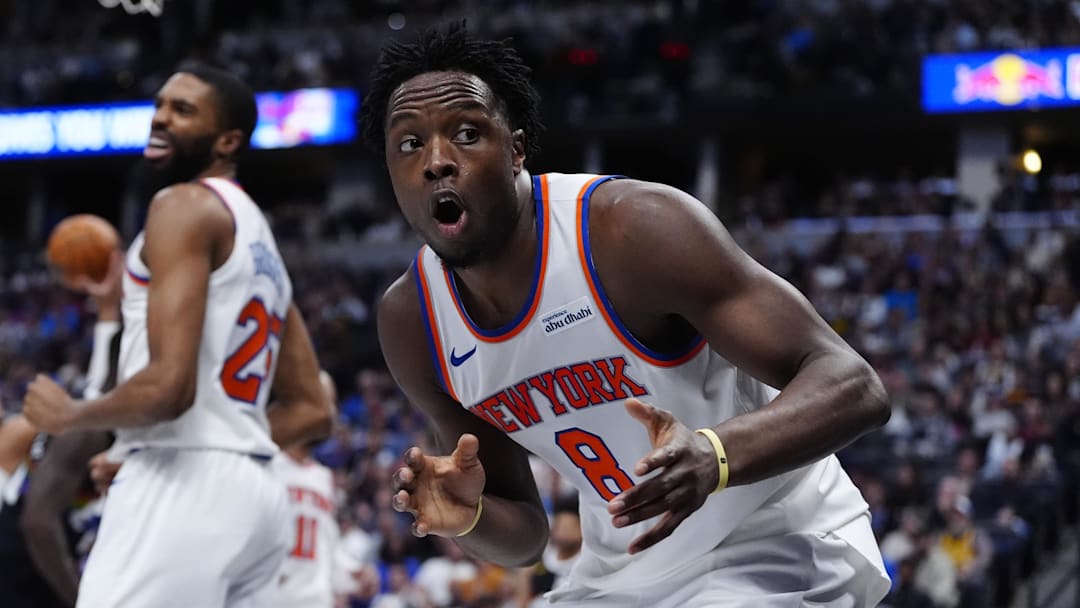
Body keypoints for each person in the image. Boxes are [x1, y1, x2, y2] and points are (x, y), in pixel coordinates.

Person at [366, 23, 892, 606]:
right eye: (409, 144)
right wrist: (469, 517)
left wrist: (716, 455)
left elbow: (853, 384)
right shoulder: (412, 322)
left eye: (466, 133)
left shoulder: (629, 231)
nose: (437, 161)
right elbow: (525, 537)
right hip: (619, 575)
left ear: (516, 150)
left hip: (775, 539)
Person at [22, 64, 332, 608]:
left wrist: (72, 414)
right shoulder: (259, 240)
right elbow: (312, 410)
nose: (161, 118)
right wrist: (208, 443)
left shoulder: (181, 206)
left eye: (183, 111)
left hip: (181, 490)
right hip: (255, 499)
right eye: (161, 104)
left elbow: (170, 388)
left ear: (227, 141)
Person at [3, 247, 123, 608]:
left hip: (43, 548)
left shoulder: (95, 413)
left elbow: (104, 381)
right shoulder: (77, 429)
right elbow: (38, 524)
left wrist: (107, 310)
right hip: (26, 561)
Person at [269, 370, 364, 608]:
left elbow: (326, 546)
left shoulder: (323, 477)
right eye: (324, 402)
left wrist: (353, 575)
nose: (331, 413)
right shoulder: (266, 464)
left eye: (332, 404)